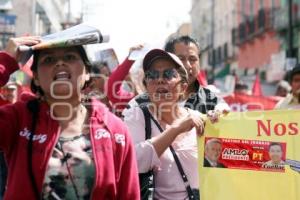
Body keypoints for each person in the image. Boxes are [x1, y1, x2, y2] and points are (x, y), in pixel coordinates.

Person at [0, 36, 139, 199]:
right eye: (49, 59)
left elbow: (129, 194)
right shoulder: (17, 119)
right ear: (36, 77)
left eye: (70, 57)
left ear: (87, 73)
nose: (60, 63)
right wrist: (5, 62)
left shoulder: (115, 129)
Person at [123, 49, 215, 199]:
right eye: (152, 75)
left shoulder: (197, 118)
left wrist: (218, 125)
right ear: (146, 85)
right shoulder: (136, 116)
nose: (159, 80)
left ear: (183, 87)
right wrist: (175, 130)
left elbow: (218, 163)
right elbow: (135, 162)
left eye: (168, 74)